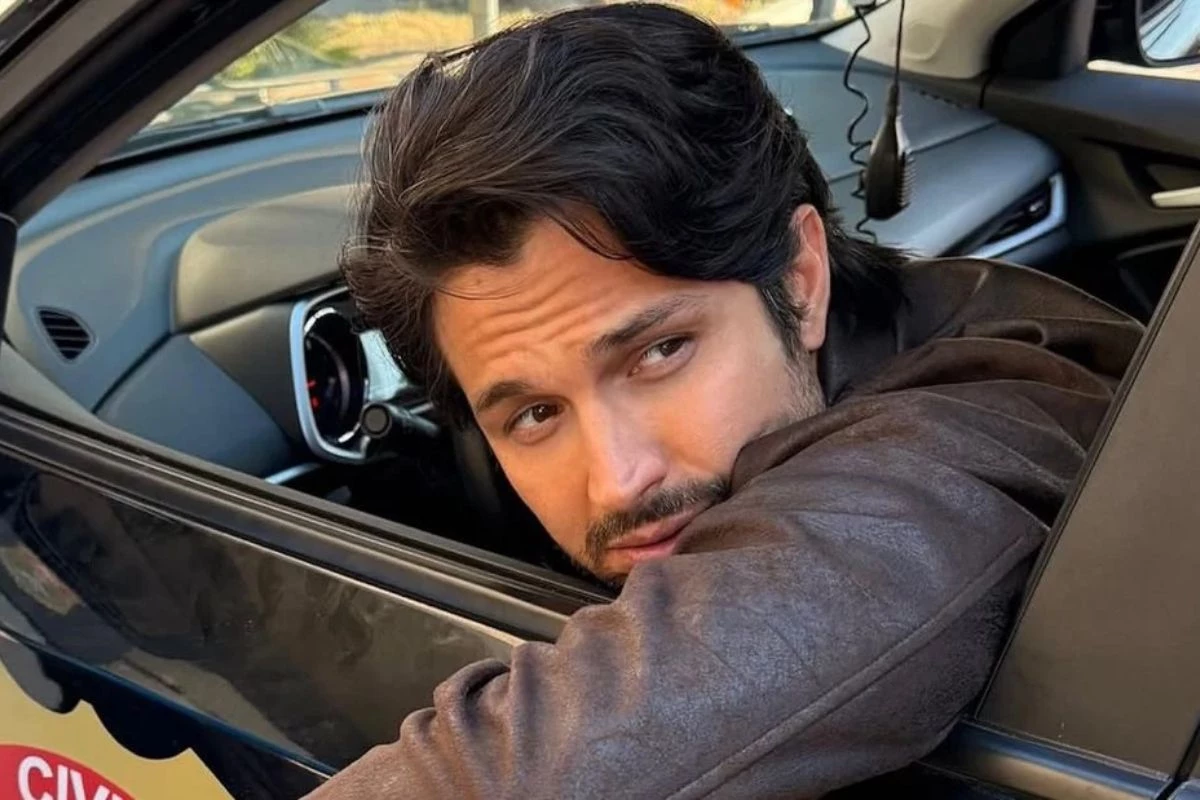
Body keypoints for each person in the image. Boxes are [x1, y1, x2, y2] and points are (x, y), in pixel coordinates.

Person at [308, 4, 1142, 797]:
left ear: (800, 277)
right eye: (535, 414)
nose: (617, 481)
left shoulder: (974, 427)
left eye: (659, 353)